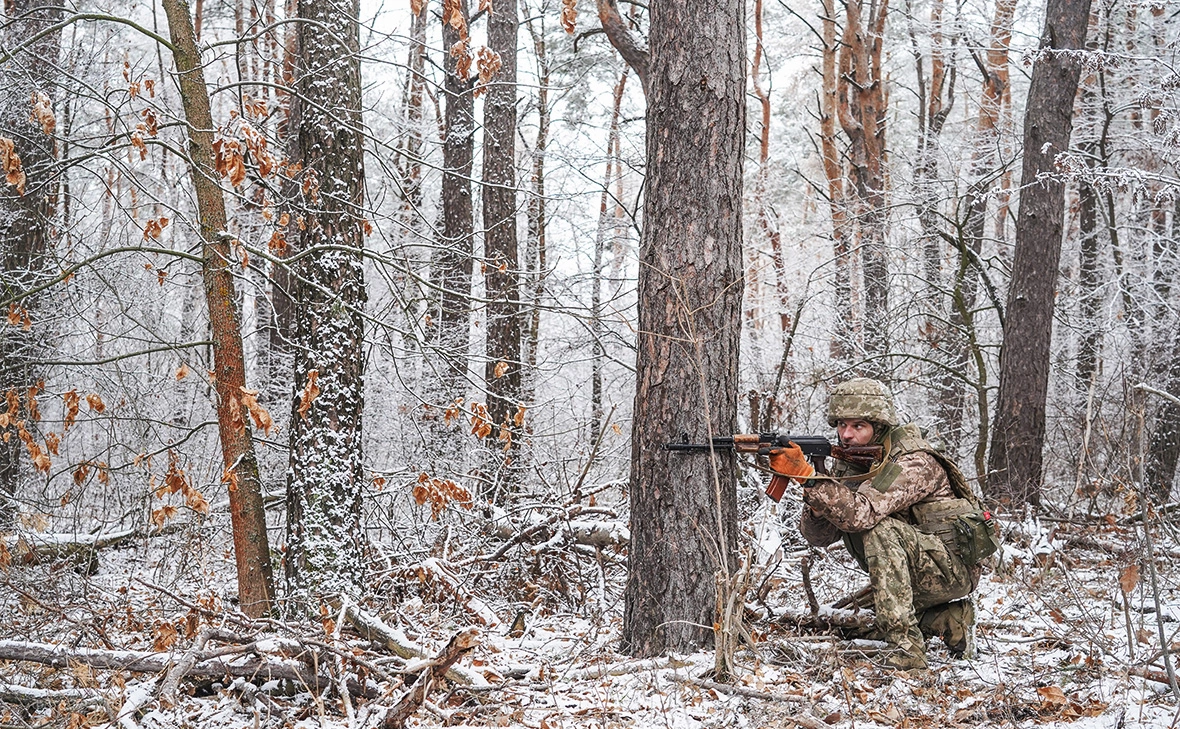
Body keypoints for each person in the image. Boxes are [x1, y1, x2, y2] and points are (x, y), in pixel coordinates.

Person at [769, 378, 988, 670]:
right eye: (842, 425)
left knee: (879, 528)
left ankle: (907, 652)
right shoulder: (854, 463)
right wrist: (816, 497)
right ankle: (950, 620)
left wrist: (811, 479)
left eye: (858, 426)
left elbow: (863, 514)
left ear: (880, 426)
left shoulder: (913, 462)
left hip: (950, 571)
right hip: (911, 574)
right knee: (843, 621)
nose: (846, 435)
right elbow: (819, 537)